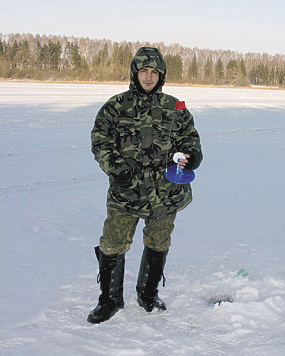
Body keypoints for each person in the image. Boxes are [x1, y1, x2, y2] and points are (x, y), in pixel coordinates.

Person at [87, 47, 203, 324]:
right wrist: (116, 169)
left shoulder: (175, 106)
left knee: (158, 242)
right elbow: (100, 141)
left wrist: (192, 155)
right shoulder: (115, 106)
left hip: (166, 192)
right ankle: (110, 300)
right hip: (126, 192)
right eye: (143, 71)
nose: (148, 77)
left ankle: (148, 294)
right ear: (134, 73)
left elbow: (190, 138)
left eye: (154, 72)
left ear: (161, 76)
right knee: (113, 244)